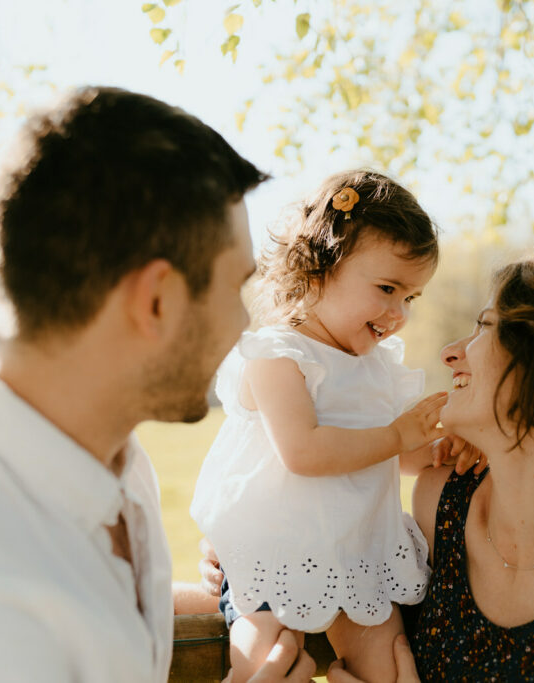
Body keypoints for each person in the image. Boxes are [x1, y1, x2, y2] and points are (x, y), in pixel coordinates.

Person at [0, 86, 310, 682]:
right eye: (235, 288)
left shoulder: (106, 452)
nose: (244, 323)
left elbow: (92, 608)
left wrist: (251, 590)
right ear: (156, 301)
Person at [201, 255, 534, 682]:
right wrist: (250, 546)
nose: (452, 353)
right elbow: (335, 550)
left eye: (486, 327)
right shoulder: (439, 504)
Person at [189, 170, 450, 683]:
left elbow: (389, 456)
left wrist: (438, 448)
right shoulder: (277, 355)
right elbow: (304, 452)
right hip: (275, 551)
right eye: (387, 288)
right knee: (262, 655)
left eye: (410, 298)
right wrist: (399, 434)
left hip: (358, 552)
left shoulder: (378, 367)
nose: (398, 313)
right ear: (317, 268)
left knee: (391, 662)